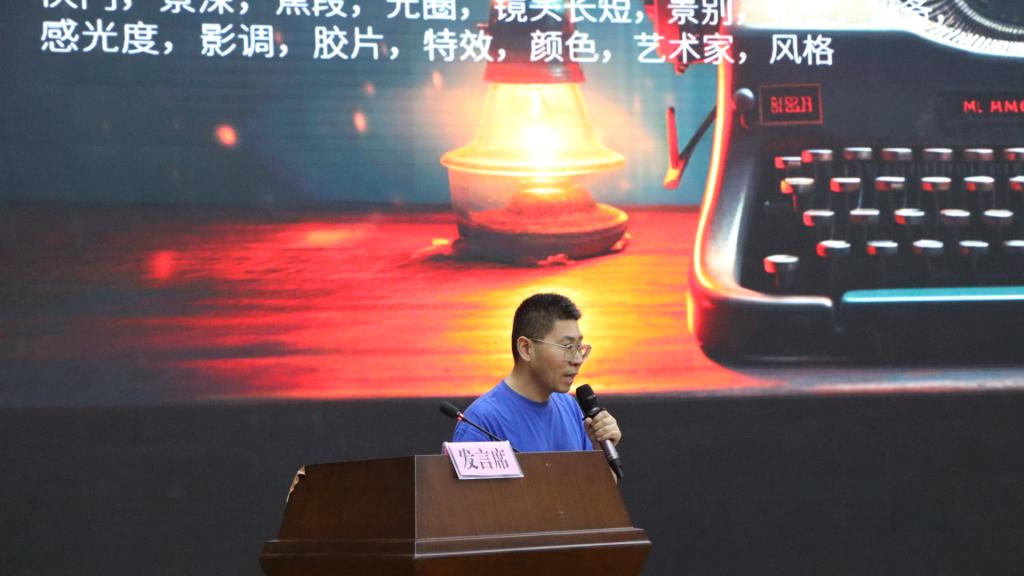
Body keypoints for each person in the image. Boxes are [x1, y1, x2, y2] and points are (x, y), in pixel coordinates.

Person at [452, 293, 621, 453]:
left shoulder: (570, 407)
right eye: (567, 347)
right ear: (526, 348)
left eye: (579, 347)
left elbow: (593, 475)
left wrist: (600, 449)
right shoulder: (481, 421)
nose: (577, 360)